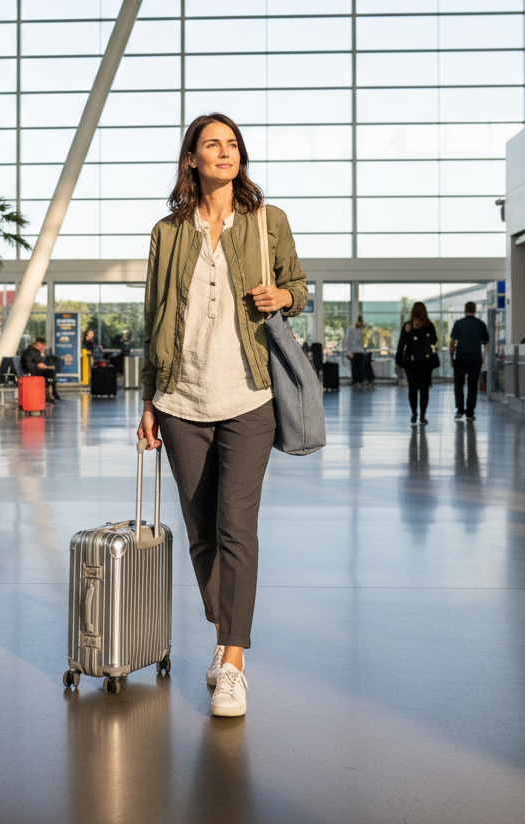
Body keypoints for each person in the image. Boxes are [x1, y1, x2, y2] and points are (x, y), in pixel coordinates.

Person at [137, 112, 307, 719]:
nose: (225, 152)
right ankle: (224, 629)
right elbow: (154, 316)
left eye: (232, 144)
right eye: (212, 144)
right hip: (183, 402)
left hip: (251, 397)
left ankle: (232, 661)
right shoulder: (167, 232)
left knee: (237, 527)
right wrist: (150, 400)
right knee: (201, 529)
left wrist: (281, 297)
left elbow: (302, 288)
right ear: (192, 160)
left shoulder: (268, 222)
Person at [395, 302, 439, 426]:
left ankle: (414, 413)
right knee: (424, 389)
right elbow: (434, 341)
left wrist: (398, 361)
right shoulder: (429, 326)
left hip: (411, 361)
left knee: (412, 388)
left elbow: (401, 345)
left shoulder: (408, 326)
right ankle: (423, 416)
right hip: (425, 362)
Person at [450, 301, 490, 421]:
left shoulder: (458, 324)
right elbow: (485, 342)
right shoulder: (480, 324)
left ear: (465, 310)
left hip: (461, 357)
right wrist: (482, 357)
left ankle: (460, 410)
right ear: (475, 310)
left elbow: (452, 342)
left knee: (459, 385)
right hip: (475, 358)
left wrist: (451, 357)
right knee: (473, 386)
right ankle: (470, 413)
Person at [21, 337, 60, 401]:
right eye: (42, 347)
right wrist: (45, 367)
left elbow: (40, 363)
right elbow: (37, 364)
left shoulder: (32, 350)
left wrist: (45, 366)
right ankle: (50, 393)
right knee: (50, 373)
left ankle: (51, 393)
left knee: (50, 371)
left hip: (32, 369)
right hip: (32, 371)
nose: (42, 348)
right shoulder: (32, 351)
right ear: (38, 344)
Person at [344, 317, 366, 386]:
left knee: (360, 367)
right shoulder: (352, 330)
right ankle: (355, 380)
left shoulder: (362, 331)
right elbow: (349, 341)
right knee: (355, 367)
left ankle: (359, 380)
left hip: (360, 351)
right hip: (354, 351)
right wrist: (349, 351)